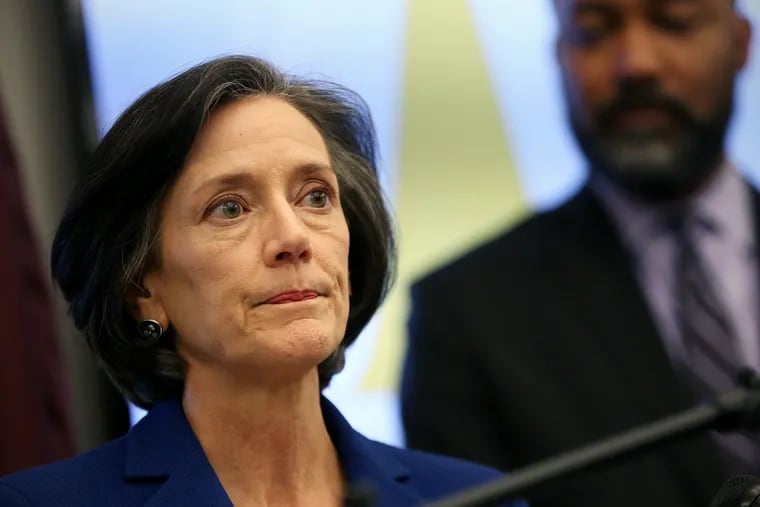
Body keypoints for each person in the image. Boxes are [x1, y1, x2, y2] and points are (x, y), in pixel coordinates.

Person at [0, 55, 522, 507]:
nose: (293, 237)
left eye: (315, 196)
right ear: (142, 291)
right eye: (229, 208)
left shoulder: (474, 498)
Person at [401, 1, 755, 506]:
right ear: (559, 55)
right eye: (593, 33)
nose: (636, 64)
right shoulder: (465, 313)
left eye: (673, 23)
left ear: (741, 43)